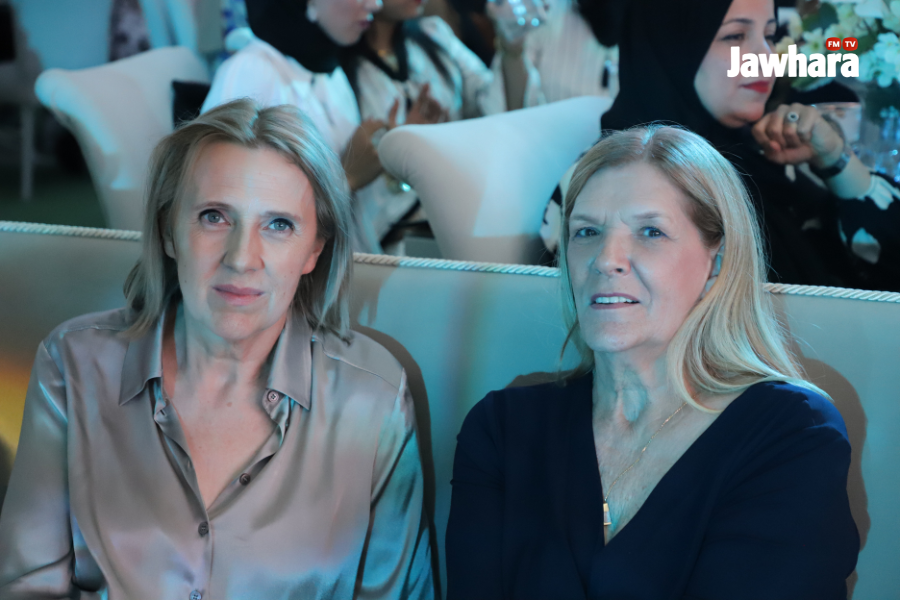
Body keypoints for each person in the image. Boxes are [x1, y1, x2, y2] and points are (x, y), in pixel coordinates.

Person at [0, 100, 433, 599]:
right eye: (214, 217)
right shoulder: (72, 366)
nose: (241, 258)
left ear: (315, 249)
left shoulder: (374, 401)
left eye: (279, 225)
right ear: (168, 230)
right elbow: (29, 586)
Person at [446, 126, 859, 599]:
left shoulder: (792, 433)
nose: (606, 259)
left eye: (650, 232)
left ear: (717, 262)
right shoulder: (502, 430)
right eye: (587, 231)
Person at [599, 0, 899, 290]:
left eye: (770, 35)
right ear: (671, 44)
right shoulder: (620, 179)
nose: (765, 57)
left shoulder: (759, 154)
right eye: (735, 36)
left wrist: (836, 159)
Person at [340, 0, 544, 246]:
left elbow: (502, 113)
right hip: (386, 242)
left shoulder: (433, 34)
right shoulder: (335, 68)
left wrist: (512, 49)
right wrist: (399, 151)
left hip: (462, 224)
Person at [201, 0, 388, 252]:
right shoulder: (252, 72)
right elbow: (222, 205)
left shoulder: (328, 71)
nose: (376, 5)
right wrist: (348, 179)